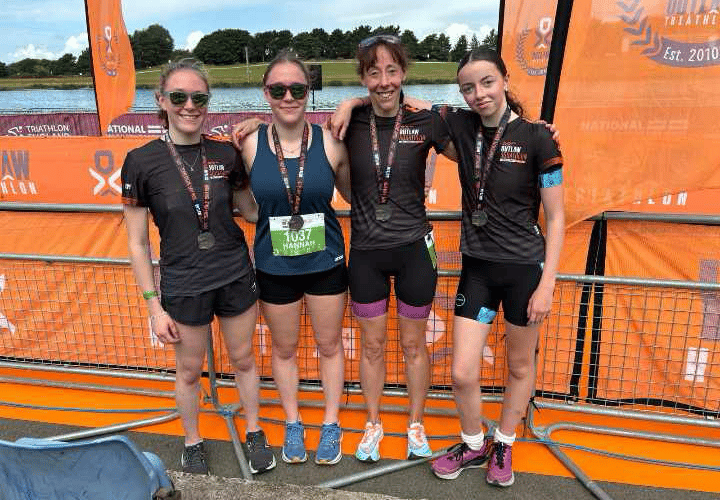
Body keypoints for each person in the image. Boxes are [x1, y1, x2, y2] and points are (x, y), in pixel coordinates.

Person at [121, 58, 275, 476]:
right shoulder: (140, 161)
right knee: (189, 370)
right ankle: (192, 442)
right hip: (184, 283)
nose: (190, 105)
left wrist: (295, 208)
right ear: (161, 101)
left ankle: (255, 430)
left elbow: (250, 212)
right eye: (179, 97)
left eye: (199, 97)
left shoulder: (226, 153)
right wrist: (154, 306)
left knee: (244, 359)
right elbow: (136, 243)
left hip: (234, 274)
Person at [423, 48, 565, 487]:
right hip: (478, 270)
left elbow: (556, 218)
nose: (478, 93)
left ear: (504, 79)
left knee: (519, 366)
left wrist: (547, 285)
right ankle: (473, 442)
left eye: (486, 82)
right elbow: (399, 107)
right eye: (468, 87)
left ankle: (504, 442)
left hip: (525, 271)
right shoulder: (460, 126)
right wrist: (350, 103)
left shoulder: (539, 138)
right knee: (462, 371)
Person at [329, 34, 453, 462]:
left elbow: (480, 142)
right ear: (363, 77)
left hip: (415, 251)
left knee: (415, 346)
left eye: (391, 71)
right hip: (366, 253)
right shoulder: (348, 124)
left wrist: (534, 131)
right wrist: (349, 104)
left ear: (404, 73)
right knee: (372, 347)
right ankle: (373, 423)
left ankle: (415, 424)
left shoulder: (426, 121)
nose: (383, 81)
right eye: (373, 72)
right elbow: (294, 139)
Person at [232, 49, 351, 466]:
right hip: (274, 266)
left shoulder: (332, 140)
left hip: (326, 264)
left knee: (329, 346)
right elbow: (246, 207)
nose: (288, 96)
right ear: (265, 93)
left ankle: (332, 423)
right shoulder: (247, 142)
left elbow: (354, 194)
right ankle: (294, 422)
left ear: (308, 91)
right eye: (278, 88)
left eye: (297, 88)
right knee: (284, 351)